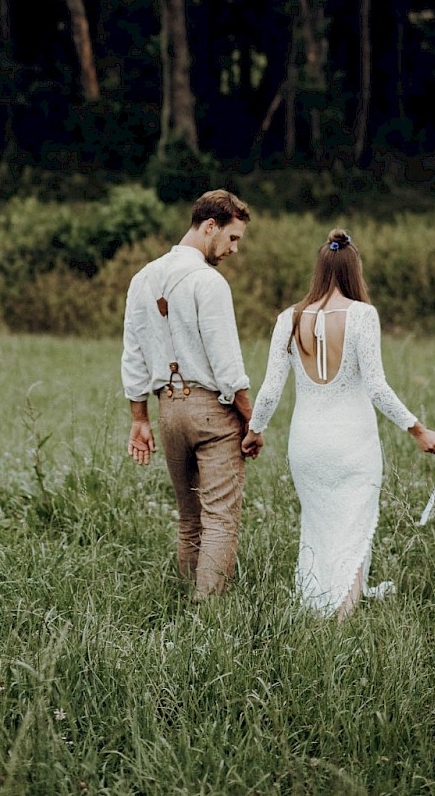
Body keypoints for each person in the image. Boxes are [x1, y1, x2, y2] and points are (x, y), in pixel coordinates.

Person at [241, 228, 435, 620]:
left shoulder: (289, 318)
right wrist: (418, 430)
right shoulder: (362, 316)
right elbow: (377, 387)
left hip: (307, 445)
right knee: (353, 529)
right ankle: (341, 619)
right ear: (355, 270)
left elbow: (268, 390)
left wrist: (255, 430)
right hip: (353, 444)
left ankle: (315, 607)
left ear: (319, 269)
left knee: (317, 528)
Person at [121, 188, 260, 598]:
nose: (234, 249)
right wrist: (252, 419)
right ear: (209, 226)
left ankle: (184, 605)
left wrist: (139, 419)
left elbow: (133, 356)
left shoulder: (142, 278)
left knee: (189, 520)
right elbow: (227, 364)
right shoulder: (208, 282)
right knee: (219, 520)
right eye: (232, 238)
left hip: (168, 412)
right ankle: (207, 617)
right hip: (212, 414)